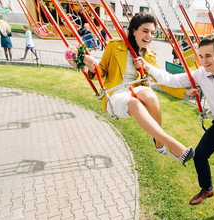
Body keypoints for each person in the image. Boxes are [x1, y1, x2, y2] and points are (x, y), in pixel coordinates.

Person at [134, 35, 214, 220]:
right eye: (201, 56)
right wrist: (148, 68)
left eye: (208, 56)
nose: (204, 61)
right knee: (199, 155)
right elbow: (172, 80)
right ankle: (207, 188)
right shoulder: (201, 73)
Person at [83, 12, 194, 164]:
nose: (149, 36)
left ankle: (159, 141)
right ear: (134, 30)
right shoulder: (115, 46)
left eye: (153, 33)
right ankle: (172, 144)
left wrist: (184, 92)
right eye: (145, 31)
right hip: (116, 91)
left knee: (151, 96)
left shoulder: (149, 56)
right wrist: (92, 67)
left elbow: (160, 80)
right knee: (134, 103)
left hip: (137, 89)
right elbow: (101, 72)